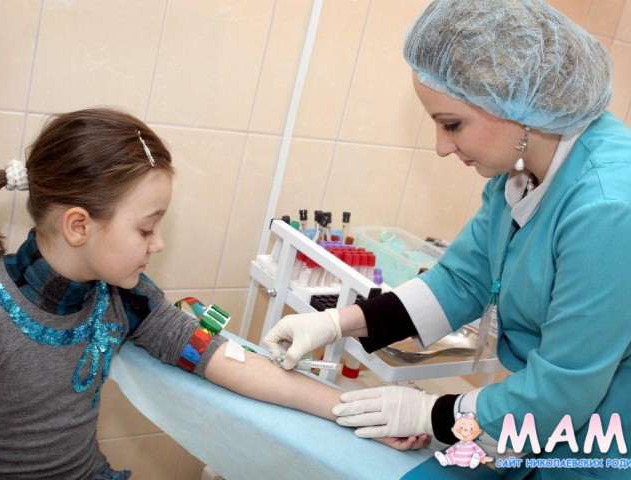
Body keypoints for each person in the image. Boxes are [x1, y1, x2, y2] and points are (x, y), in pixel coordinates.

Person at [264, 0, 631, 478]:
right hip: (534, 420)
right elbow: (464, 279)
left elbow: (563, 389)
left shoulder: (609, 209)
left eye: (452, 124)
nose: (441, 146)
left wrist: (431, 414)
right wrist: (338, 322)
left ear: (516, 104)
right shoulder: (522, 167)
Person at [0, 108, 422, 480]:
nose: (158, 243)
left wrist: (358, 412)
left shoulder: (126, 300)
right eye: (146, 229)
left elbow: (224, 361)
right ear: (78, 226)